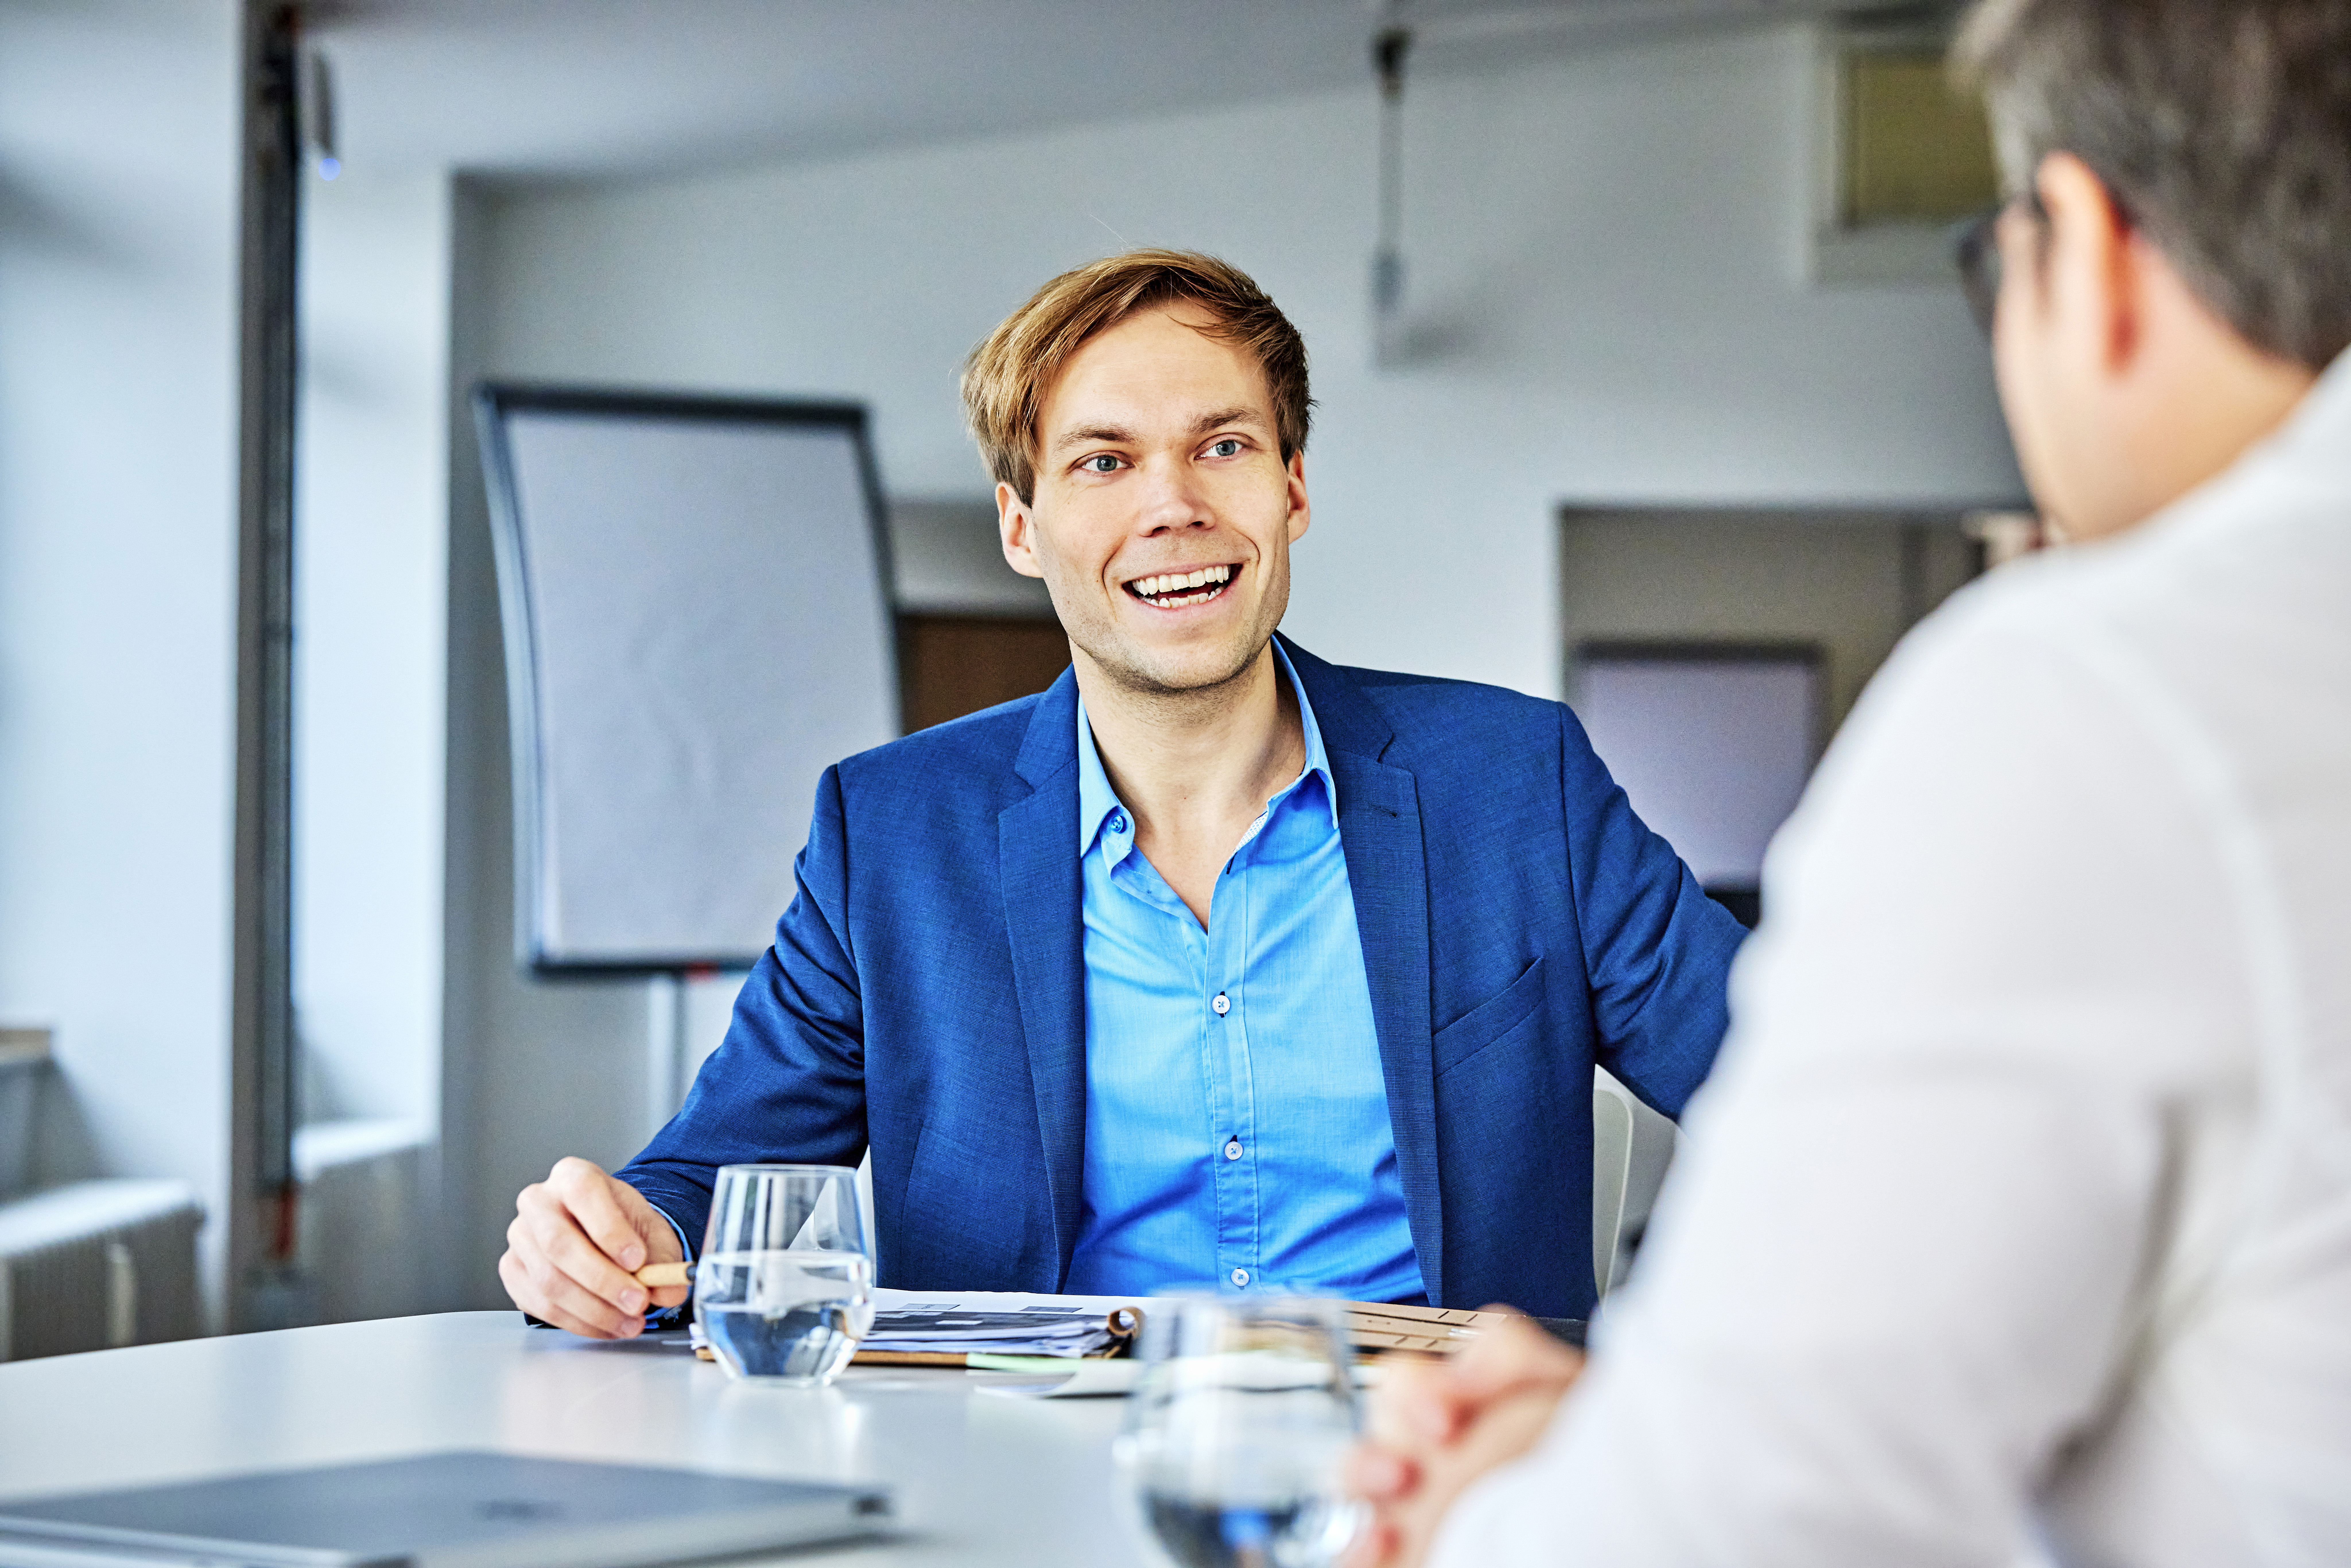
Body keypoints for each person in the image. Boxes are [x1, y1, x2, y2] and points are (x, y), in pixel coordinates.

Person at [1345, 1, 2351, 1563]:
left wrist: (1526, 1507)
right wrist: (1653, 1426)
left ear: (2081, 249)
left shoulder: (2094, 694)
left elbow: (1751, 1529)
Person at [498, 250, 1747, 1339]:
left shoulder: (1512, 782)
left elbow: (1784, 1079)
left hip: (1432, 1475)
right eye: (1103, 462)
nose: (1173, 507)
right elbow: (713, 1176)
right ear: (1021, 526)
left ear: (1292, 488)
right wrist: (611, 1238)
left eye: (1223, 446)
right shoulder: (889, 834)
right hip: (1023, 1480)